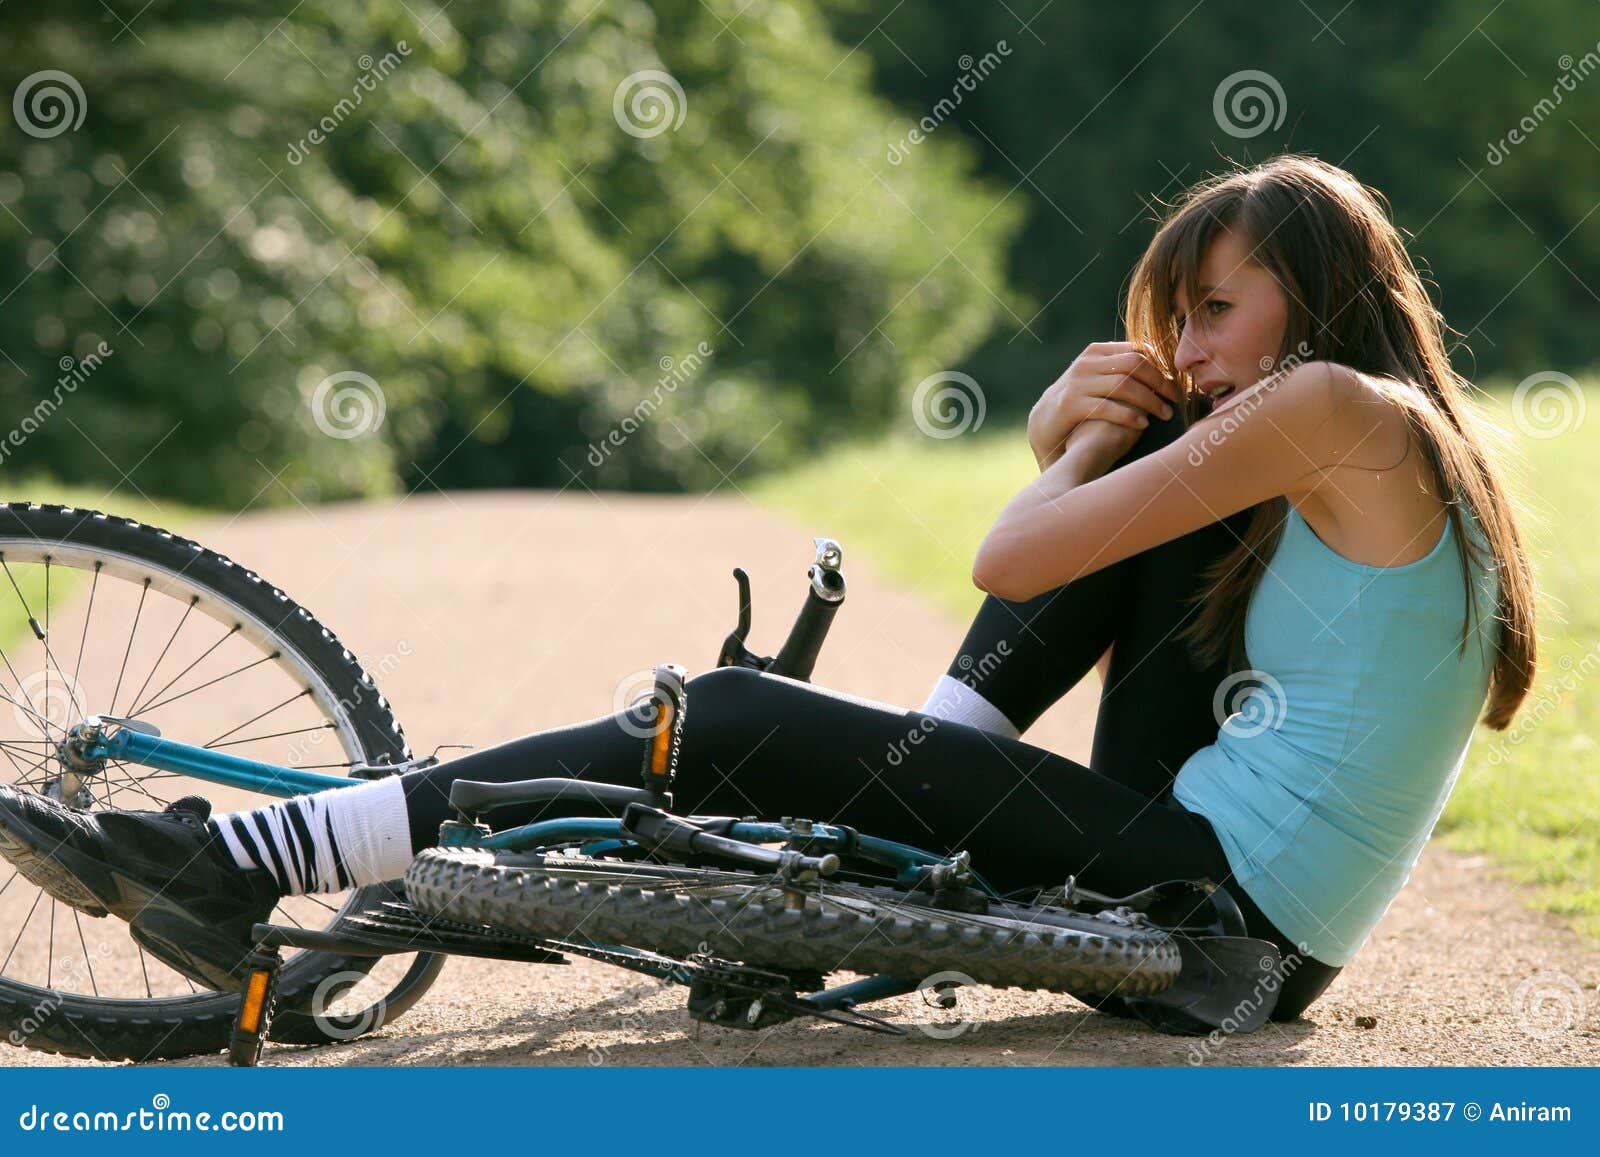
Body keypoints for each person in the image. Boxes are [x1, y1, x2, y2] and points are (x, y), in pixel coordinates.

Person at [0, 154, 1536, 1028]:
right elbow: (1074, 556)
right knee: (1140, 508)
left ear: (1318, 295)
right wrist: (1094, 448)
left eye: (1213, 309)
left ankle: (249, 853)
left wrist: (1064, 444)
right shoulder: (1393, 439)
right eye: (1178, 315)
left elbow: (1016, 557)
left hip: (1224, 915)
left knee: (723, 711)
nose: (1190, 347)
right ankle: (870, 825)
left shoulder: (1329, 406)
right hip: (1245, 901)